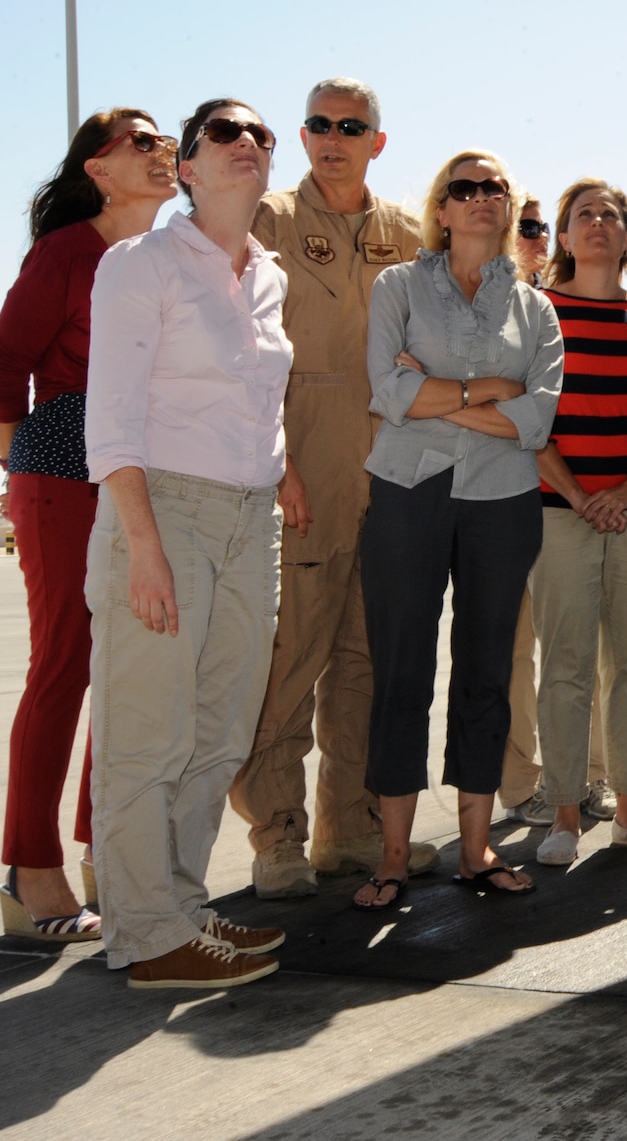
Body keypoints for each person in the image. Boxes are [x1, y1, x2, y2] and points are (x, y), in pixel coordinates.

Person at [84, 98, 292, 987]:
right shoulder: (142, 264)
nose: (247, 144)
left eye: (260, 136)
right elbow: (114, 418)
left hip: (252, 519)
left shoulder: (270, 275)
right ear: (193, 167)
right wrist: (143, 546)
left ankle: (179, 909)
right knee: (146, 731)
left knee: (219, 728)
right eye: (224, 134)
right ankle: (141, 934)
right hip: (162, 510)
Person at [228, 78, 433, 901]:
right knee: (291, 657)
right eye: (317, 124)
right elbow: (241, 347)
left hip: (393, 464)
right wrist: (278, 462)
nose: (332, 137)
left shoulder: (410, 233)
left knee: (367, 661)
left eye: (352, 126)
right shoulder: (268, 218)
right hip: (301, 456)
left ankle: (346, 830)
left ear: (378, 141)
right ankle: (273, 834)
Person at [0, 108, 177, 941]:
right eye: (140, 142)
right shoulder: (69, 252)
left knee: (131, 669)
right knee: (64, 662)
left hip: (142, 477)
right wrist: (22, 468)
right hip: (63, 468)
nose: (161, 150)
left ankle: (112, 853)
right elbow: (2, 371)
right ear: (97, 169)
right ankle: (32, 875)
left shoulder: (167, 260)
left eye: (165, 139)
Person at [358, 151, 562, 907]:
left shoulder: (536, 310)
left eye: (494, 188)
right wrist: (489, 392)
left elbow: (534, 421)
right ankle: (391, 858)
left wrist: (434, 394)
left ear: (508, 208)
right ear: (441, 209)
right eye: (463, 189)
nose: (480, 199)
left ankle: (476, 851)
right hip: (407, 492)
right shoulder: (398, 287)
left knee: (485, 672)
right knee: (401, 670)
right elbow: (387, 390)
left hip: (502, 500)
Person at [529, 179, 627, 866]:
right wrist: (575, 493)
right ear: (563, 237)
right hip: (557, 511)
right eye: (583, 214)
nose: (598, 223)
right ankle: (565, 814)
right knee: (564, 667)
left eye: (611, 215)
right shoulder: (537, 311)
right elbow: (523, 412)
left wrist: (625, 490)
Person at [498, 190, 615, 831]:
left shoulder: (580, 304)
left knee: (583, 649)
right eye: (526, 227)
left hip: (576, 509)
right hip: (507, 501)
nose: (535, 238)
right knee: (515, 652)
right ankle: (520, 786)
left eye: (543, 228)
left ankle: (591, 776)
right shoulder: (498, 308)